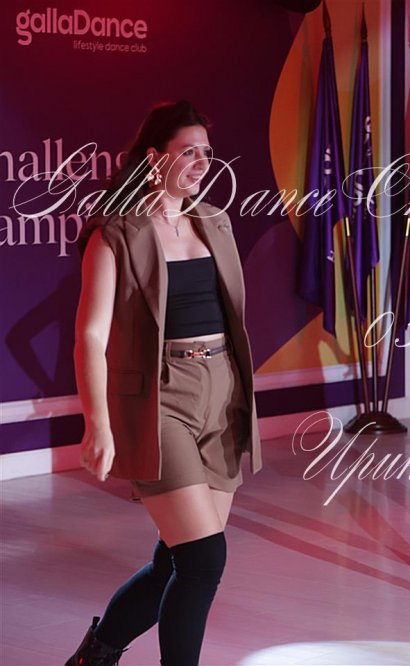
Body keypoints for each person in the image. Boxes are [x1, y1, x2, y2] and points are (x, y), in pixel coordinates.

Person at [67, 101, 261, 665]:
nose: (202, 162)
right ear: (155, 159)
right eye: (188, 152)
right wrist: (98, 424)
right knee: (203, 561)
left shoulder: (215, 221)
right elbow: (90, 336)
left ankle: (95, 655)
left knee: (175, 562)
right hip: (160, 399)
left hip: (222, 392)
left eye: (207, 152)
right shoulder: (115, 233)